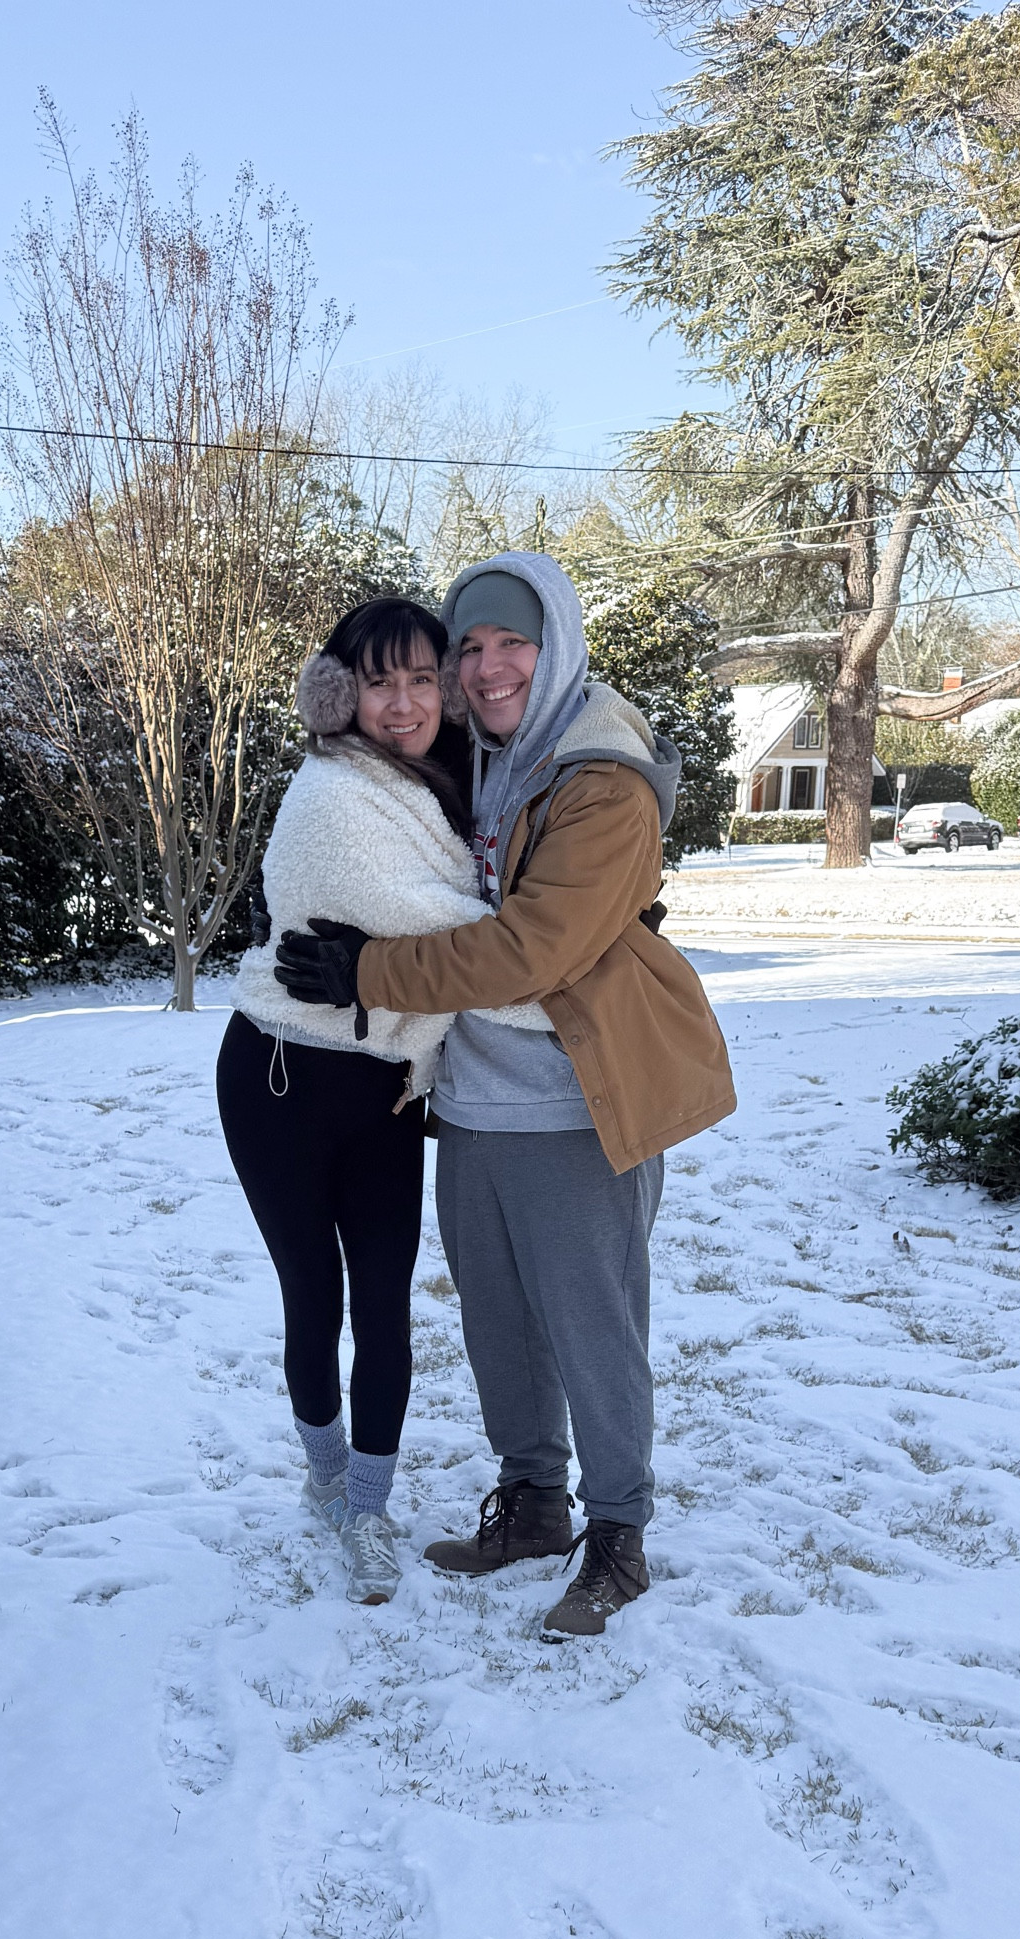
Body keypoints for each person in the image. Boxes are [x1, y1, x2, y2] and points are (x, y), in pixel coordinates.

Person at [275, 552, 736, 1637]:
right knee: (498, 1325)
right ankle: (532, 1500)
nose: (484, 668)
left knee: (593, 1326)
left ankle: (617, 1533)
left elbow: (527, 949)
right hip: (474, 1101)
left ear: (558, 643)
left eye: (509, 644)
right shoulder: (479, 760)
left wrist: (369, 974)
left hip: (577, 1102)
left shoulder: (602, 782)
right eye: (468, 646)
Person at [219, 596, 552, 1605]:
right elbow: (447, 928)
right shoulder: (330, 796)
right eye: (377, 681)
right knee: (314, 1299)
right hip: (281, 1076)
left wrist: (571, 918)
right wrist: (570, 956)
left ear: (447, 688)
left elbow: (481, 904)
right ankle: (328, 1479)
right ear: (342, 692)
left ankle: (369, 1506)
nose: (402, 702)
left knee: (390, 1305)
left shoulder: (450, 784)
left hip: (388, 1088)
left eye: (420, 679)